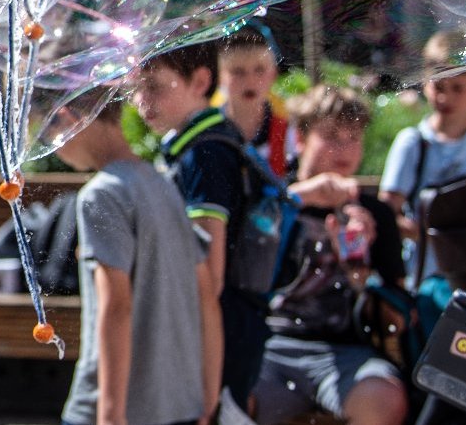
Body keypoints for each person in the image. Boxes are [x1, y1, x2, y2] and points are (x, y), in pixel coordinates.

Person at [53, 98, 219, 425]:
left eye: (48, 136)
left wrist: (111, 414)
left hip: (116, 407)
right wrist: (207, 396)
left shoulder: (101, 194)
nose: (54, 150)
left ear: (68, 117)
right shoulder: (163, 184)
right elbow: (207, 297)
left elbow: (116, 306)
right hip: (179, 404)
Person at [254, 88, 407, 425]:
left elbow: (396, 303)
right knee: (238, 394)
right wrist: (297, 200)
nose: (344, 149)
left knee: (384, 398)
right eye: (331, 136)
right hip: (272, 344)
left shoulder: (372, 213)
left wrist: (360, 272)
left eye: (353, 137)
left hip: (345, 349)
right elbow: (244, 266)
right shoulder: (277, 201)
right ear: (301, 139)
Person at [130, 42, 266, 411]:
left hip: (219, 329)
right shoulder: (200, 144)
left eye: (154, 86)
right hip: (220, 322)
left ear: (201, 81)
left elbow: (209, 272)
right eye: (136, 88)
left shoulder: (206, 153)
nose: (142, 100)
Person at [379, 28, 466, 282]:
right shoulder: (413, 143)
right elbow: (386, 213)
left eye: (457, 88)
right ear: (425, 84)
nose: (445, 97)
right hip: (424, 278)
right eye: (438, 86)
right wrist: (417, 230)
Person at [216, 24, 296, 178]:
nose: (250, 81)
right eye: (237, 72)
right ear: (220, 78)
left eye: (259, 70)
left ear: (273, 74)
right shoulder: (208, 128)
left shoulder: (287, 128)